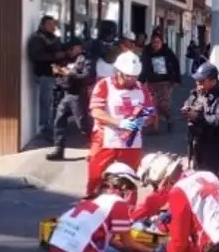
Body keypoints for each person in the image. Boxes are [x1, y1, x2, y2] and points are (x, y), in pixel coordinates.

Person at [34, 163, 154, 252]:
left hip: (55, 245)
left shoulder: (95, 200)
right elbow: (127, 242)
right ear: (123, 186)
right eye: (131, 187)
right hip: (75, 251)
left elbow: (109, 240)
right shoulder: (119, 204)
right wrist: (148, 251)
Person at [86, 50, 154, 197]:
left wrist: (141, 121)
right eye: (127, 76)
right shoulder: (104, 85)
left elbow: (150, 113)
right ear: (118, 71)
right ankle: (91, 208)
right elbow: (96, 111)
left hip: (131, 141)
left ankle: (126, 213)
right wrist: (119, 122)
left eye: (134, 77)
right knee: (96, 178)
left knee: (128, 179)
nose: (130, 80)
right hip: (105, 139)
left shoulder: (141, 88)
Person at [182, 62, 219, 175]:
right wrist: (187, 108)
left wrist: (198, 117)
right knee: (196, 174)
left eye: (201, 81)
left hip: (215, 144)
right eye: (197, 80)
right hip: (197, 140)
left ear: (213, 82)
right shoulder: (199, 91)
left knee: (209, 176)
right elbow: (191, 99)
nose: (198, 83)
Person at [46, 40, 93, 161]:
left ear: (79, 47)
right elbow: (62, 78)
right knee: (59, 121)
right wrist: (58, 73)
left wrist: (70, 74)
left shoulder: (85, 59)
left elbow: (87, 77)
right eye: (69, 49)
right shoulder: (66, 60)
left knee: (83, 124)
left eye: (73, 48)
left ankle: (95, 148)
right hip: (65, 94)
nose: (70, 51)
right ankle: (58, 149)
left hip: (77, 95)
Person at [27, 16, 65, 138]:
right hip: (44, 74)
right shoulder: (37, 38)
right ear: (43, 25)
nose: (52, 27)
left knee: (55, 102)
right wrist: (55, 55)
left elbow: (60, 51)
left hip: (56, 74)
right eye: (49, 24)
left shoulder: (54, 38)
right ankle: (45, 128)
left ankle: (54, 126)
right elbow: (37, 55)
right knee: (46, 102)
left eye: (53, 24)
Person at [139, 33, 181, 133]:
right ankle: (155, 128)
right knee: (152, 104)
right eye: (154, 42)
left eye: (158, 42)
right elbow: (144, 67)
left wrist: (177, 79)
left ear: (161, 43)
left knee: (163, 104)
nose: (155, 44)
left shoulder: (167, 52)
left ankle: (169, 118)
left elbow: (176, 65)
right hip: (151, 81)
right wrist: (141, 81)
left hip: (165, 82)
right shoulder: (147, 52)